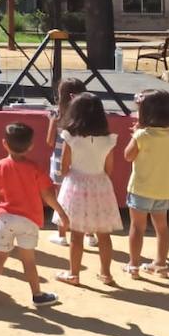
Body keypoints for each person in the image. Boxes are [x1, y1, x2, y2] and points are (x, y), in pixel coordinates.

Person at [0, 122, 68, 307]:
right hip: (29, 220)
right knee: (28, 261)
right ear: (31, 146)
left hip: (4, 219)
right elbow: (47, 195)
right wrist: (61, 212)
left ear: (5, 143)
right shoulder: (36, 169)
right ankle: (37, 294)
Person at [55, 93, 122, 286]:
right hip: (100, 186)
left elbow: (63, 167)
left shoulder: (70, 138)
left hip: (75, 185)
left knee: (76, 234)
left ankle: (73, 274)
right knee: (103, 233)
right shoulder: (109, 140)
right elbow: (109, 169)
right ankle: (106, 274)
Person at [124, 89, 169, 278]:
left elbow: (128, 155)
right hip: (163, 190)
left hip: (140, 189)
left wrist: (135, 134)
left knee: (137, 227)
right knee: (162, 228)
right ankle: (161, 264)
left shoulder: (142, 135)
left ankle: (133, 265)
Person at [47, 77, 85, 245]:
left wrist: (51, 122)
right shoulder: (86, 115)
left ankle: (62, 235)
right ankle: (89, 234)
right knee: (84, 198)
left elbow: (50, 141)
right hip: (81, 162)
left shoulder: (57, 114)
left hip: (59, 161)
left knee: (60, 197)